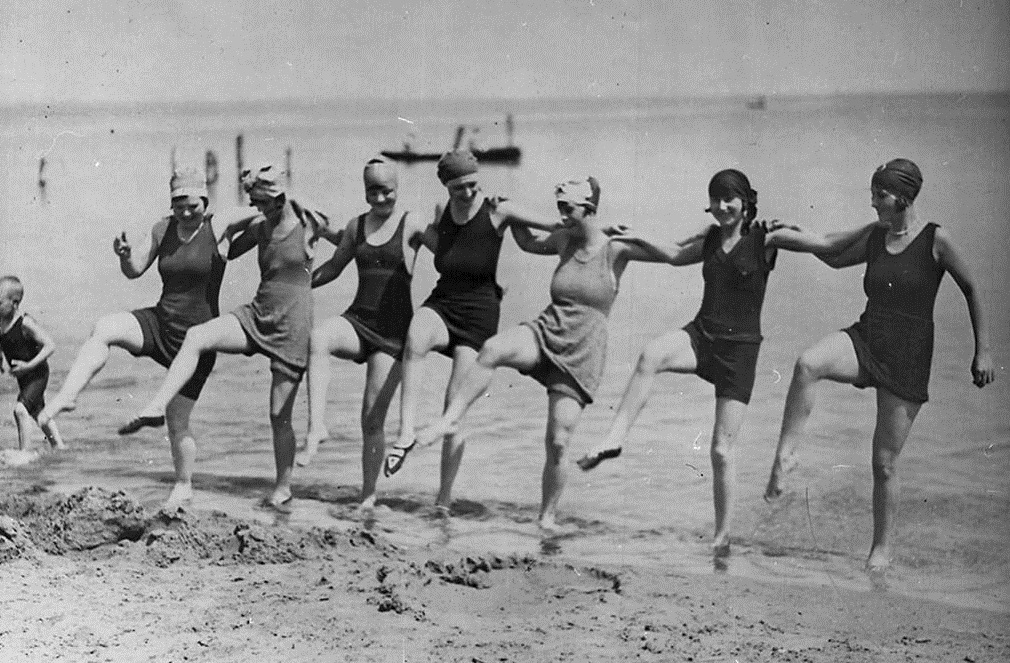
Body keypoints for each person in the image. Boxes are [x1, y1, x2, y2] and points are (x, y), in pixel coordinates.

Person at [763, 158, 995, 569]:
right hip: (867, 338)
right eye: (873, 194)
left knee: (884, 464)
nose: (872, 203)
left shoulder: (935, 240)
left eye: (880, 195)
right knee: (807, 364)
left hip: (908, 357)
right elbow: (831, 250)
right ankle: (786, 456)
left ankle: (881, 551)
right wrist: (786, 234)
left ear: (903, 197)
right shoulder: (876, 234)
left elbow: (973, 288)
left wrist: (983, 350)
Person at [414, 177, 671, 529]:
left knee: (558, 442)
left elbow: (674, 257)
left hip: (583, 350)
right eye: (559, 207)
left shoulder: (615, 249)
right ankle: (450, 419)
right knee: (491, 349)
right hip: (547, 329)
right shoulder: (564, 238)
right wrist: (507, 211)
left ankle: (547, 519)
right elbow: (528, 243)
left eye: (569, 208)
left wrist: (637, 235)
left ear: (590, 209)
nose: (562, 215)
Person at [577, 169, 783, 557]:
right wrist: (628, 236)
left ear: (745, 201)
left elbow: (824, 245)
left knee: (722, 451)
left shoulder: (767, 239)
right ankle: (614, 438)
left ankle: (722, 537)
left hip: (740, 353)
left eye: (730, 199)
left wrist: (876, 234)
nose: (722, 206)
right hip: (702, 337)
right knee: (651, 354)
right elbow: (672, 255)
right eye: (716, 199)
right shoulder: (709, 240)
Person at [119, 164, 329, 510]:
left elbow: (348, 241)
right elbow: (224, 249)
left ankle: (283, 487)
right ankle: (158, 405)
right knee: (199, 335)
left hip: (292, 324)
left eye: (267, 201)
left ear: (282, 197)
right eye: (257, 203)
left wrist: (308, 282)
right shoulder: (261, 227)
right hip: (258, 313)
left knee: (279, 414)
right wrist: (201, 230)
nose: (262, 209)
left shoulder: (310, 224)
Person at [37, 168, 229, 506]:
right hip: (160, 324)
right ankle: (66, 397)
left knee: (177, 421)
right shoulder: (162, 228)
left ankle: (183, 485)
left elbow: (263, 216)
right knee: (105, 327)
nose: (184, 212)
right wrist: (124, 256)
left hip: (197, 340)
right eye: (177, 204)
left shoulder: (220, 231)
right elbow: (135, 270)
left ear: (205, 200)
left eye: (192, 205)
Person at [382, 148, 559, 508]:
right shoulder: (441, 214)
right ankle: (404, 434)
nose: (468, 193)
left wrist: (597, 231)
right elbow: (431, 244)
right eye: (459, 187)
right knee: (416, 334)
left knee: (454, 408)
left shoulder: (497, 209)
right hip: (444, 301)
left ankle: (443, 501)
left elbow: (553, 227)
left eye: (473, 185)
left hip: (479, 313)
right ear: (446, 186)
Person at [296, 157, 430, 508]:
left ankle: (368, 496)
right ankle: (316, 427)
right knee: (319, 338)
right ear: (365, 190)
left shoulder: (411, 222)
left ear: (398, 189)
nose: (381, 198)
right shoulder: (357, 226)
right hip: (359, 320)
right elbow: (335, 267)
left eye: (388, 191)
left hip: (393, 334)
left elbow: (446, 254)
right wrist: (298, 284)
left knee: (371, 419)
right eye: (373, 191)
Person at [0, 275, 64, 451]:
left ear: (14, 303)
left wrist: (28, 366)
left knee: (20, 410)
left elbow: (50, 345)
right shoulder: (0, 323)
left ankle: (24, 454)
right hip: (23, 377)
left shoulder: (25, 323)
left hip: (37, 373)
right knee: (38, 413)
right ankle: (59, 446)